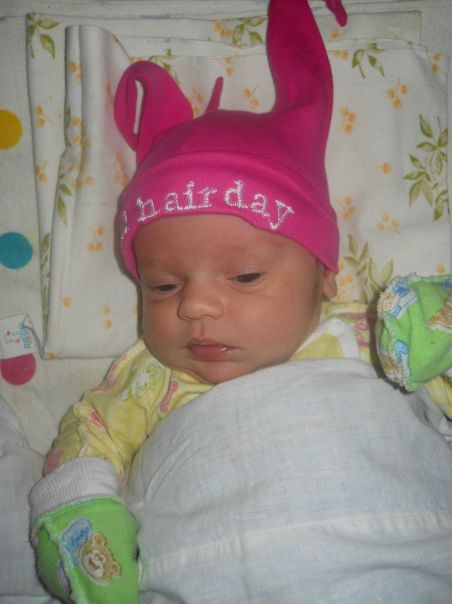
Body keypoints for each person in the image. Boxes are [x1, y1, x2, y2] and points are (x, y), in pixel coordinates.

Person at [29, 0, 451, 601]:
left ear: (325, 276)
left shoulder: (374, 338)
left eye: (246, 276)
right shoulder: (148, 382)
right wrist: (82, 519)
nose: (196, 307)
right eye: (163, 286)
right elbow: (85, 446)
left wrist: (434, 328)